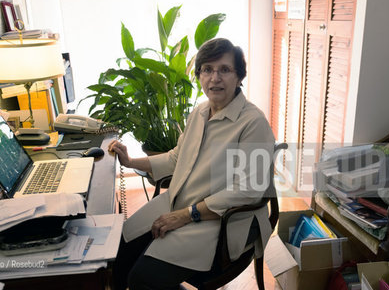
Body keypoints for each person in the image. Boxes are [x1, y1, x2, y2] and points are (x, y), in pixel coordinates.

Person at [109, 38, 275, 290]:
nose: (214, 78)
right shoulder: (199, 113)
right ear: (199, 75)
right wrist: (131, 161)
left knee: (142, 279)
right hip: (180, 204)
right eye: (207, 69)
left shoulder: (253, 123)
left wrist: (186, 215)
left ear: (240, 77)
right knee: (118, 254)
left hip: (220, 220)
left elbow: (248, 190)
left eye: (225, 70)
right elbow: (176, 158)